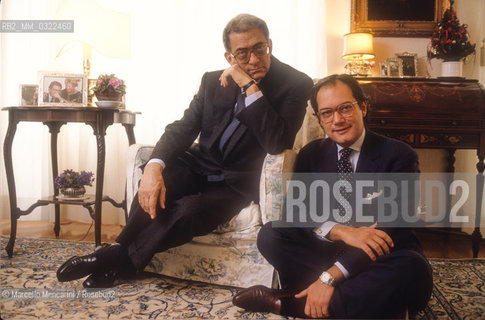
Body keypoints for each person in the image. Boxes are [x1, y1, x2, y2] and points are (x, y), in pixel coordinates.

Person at [56, 14, 313, 288]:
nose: (253, 59)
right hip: (199, 165)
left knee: (189, 211)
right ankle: (121, 256)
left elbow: (276, 141)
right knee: (156, 182)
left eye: (259, 48)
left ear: (269, 44)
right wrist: (154, 167)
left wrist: (249, 87)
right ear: (229, 57)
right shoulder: (212, 81)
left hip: (236, 182)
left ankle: (113, 259)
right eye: (242, 53)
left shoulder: (296, 84)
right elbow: (183, 127)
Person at [232, 74, 433, 318]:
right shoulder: (311, 154)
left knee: (412, 269)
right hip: (324, 253)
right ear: (320, 119)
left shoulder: (398, 155)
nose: (337, 120)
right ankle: (369, 302)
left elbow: (393, 229)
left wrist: (330, 277)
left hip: (379, 258)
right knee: (271, 234)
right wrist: (341, 231)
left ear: (363, 107)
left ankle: (285, 304)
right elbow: (296, 212)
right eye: (327, 113)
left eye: (345, 108)